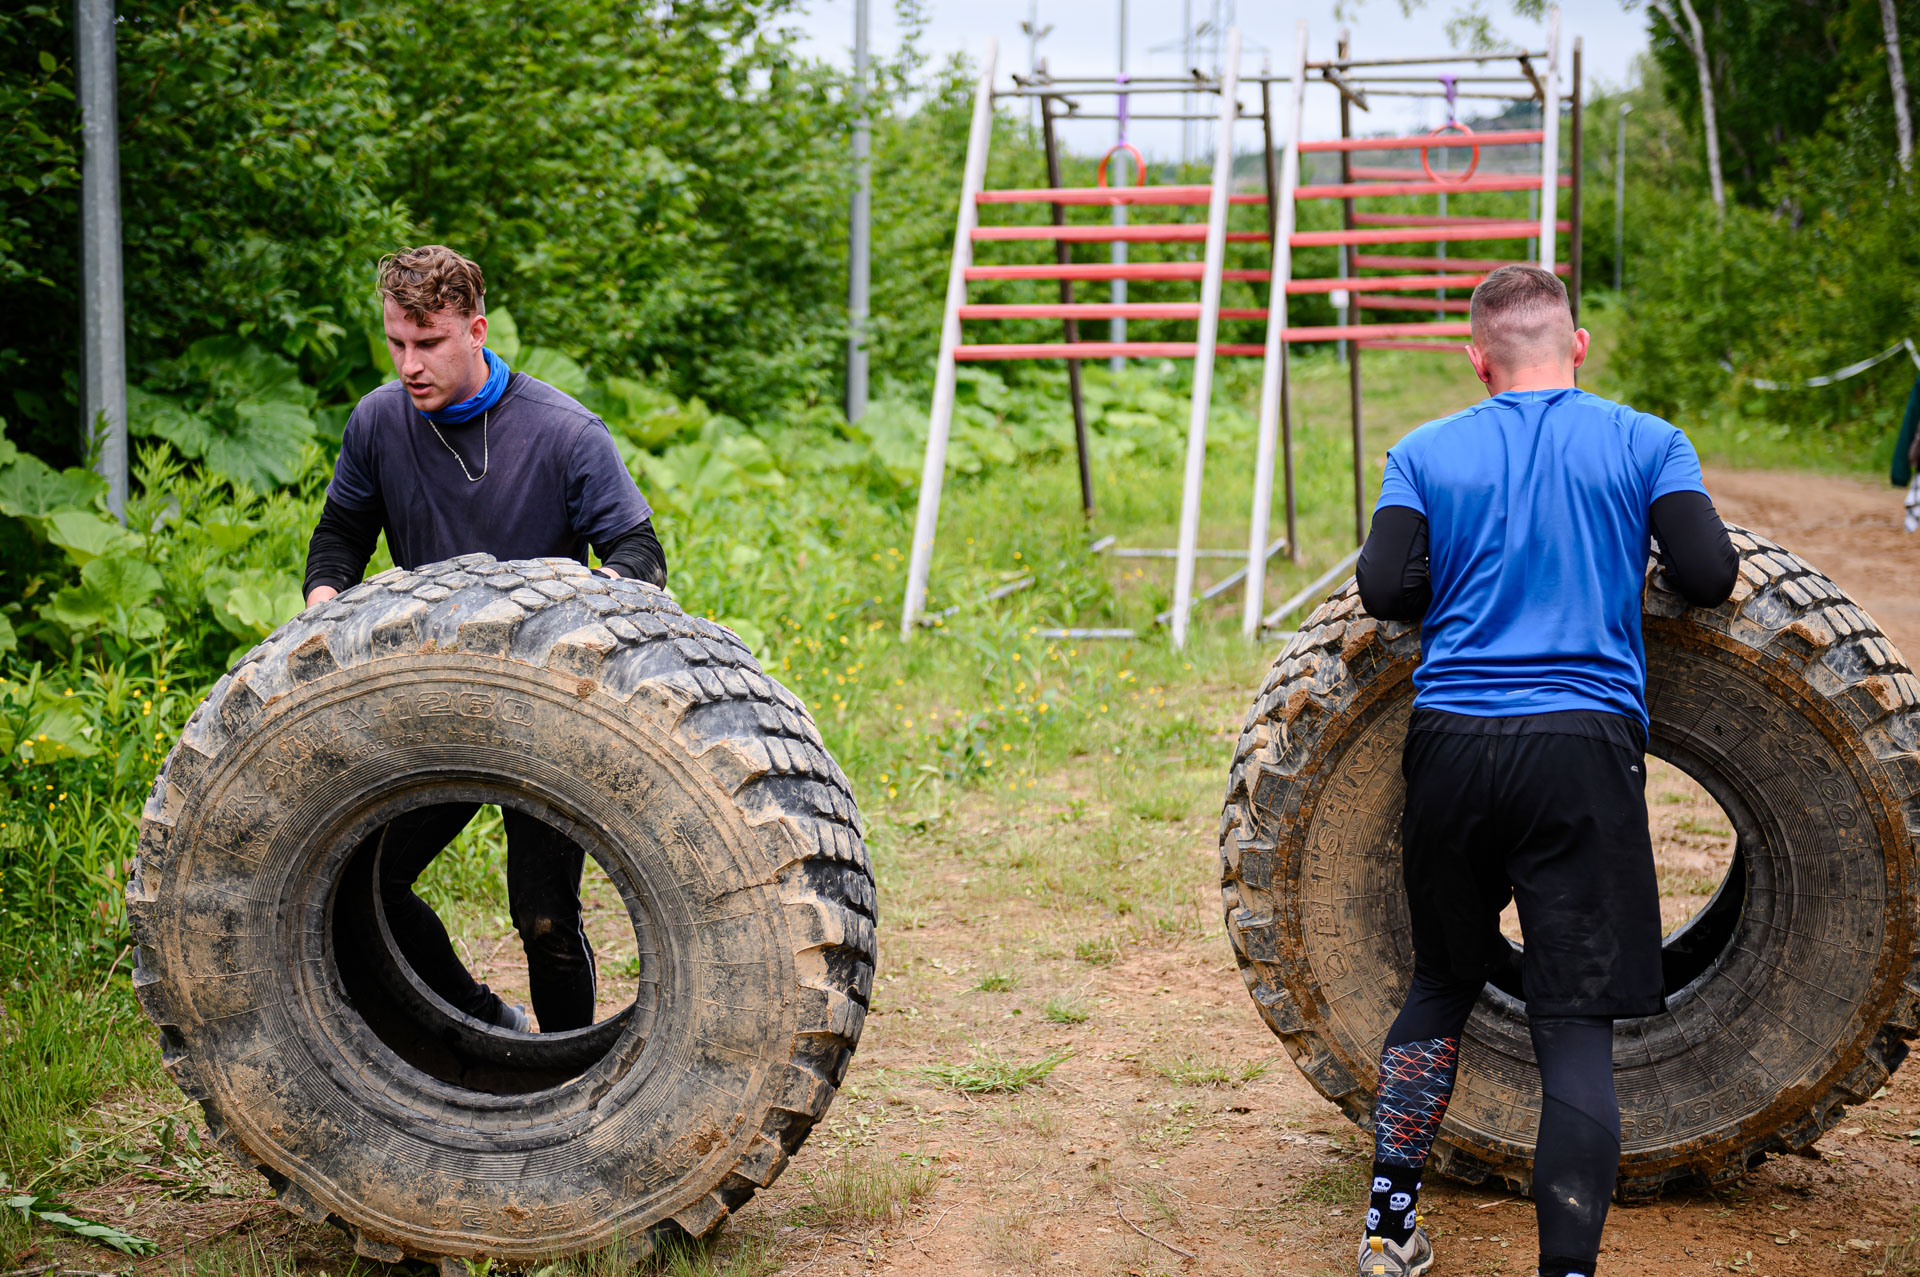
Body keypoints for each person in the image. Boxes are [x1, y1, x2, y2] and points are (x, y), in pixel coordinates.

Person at [1347, 264, 1739, 1277]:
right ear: (1578, 344)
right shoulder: (1647, 441)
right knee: (1573, 1022)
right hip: (1580, 748)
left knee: (1440, 980)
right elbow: (1709, 573)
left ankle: (1389, 1228)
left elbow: (1385, 586)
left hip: (1452, 744)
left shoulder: (1426, 450)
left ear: (1477, 359)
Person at [303, 245, 667, 1034]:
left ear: (476, 329)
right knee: (363, 886)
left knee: (543, 920)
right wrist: (323, 601)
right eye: (397, 342)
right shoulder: (377, 422)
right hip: (435, 696)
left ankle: (569, 1064)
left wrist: (596, 603)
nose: (409, 364)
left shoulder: (565, 432)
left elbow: (640, 554)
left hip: (542, 705)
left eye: (428, 343)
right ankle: (485, 1024)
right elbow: (339, 536)